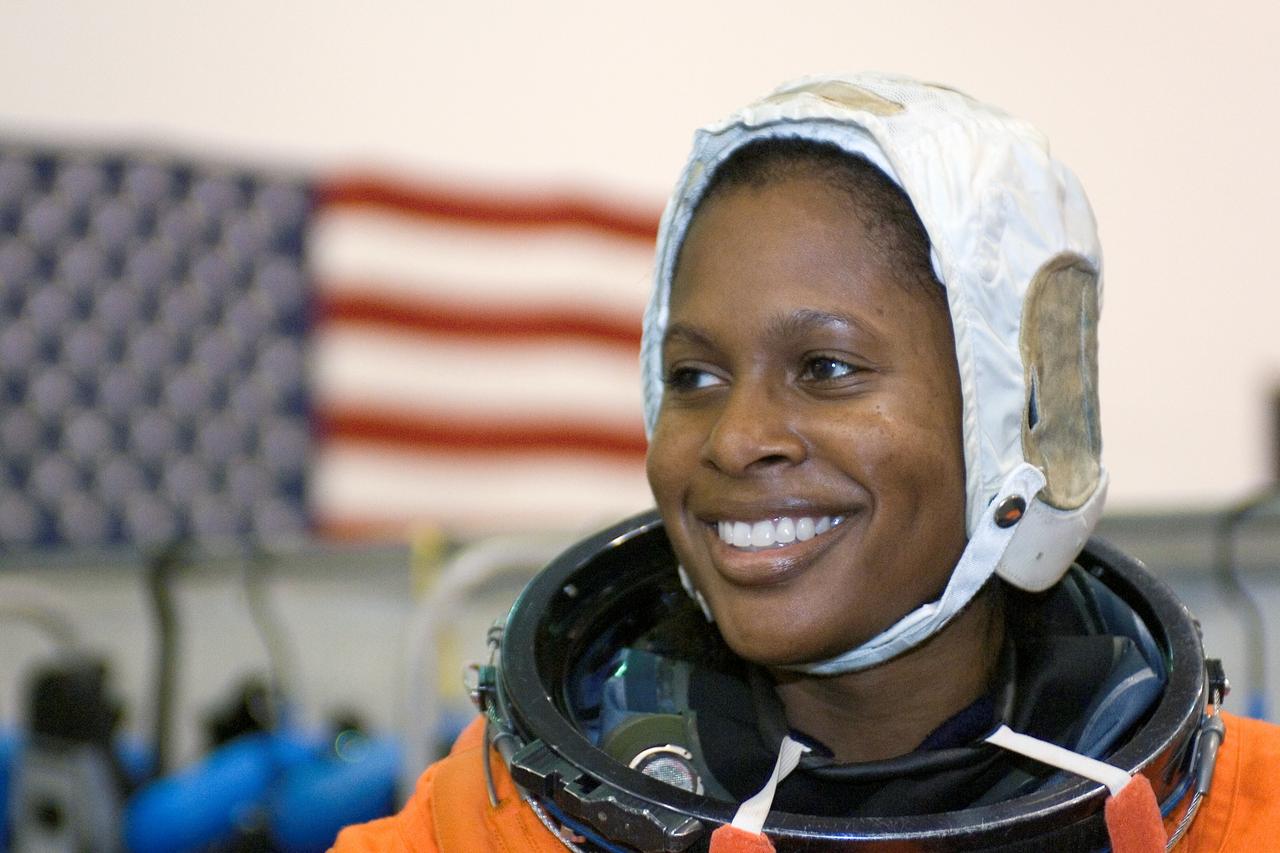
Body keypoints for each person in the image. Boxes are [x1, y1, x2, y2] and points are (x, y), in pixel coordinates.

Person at [330, 73, 1280, 852]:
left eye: (826, 367)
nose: (738, 438)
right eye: (694, 375)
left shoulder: (1250, 815)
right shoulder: (467, 829)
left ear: (1018, 413)